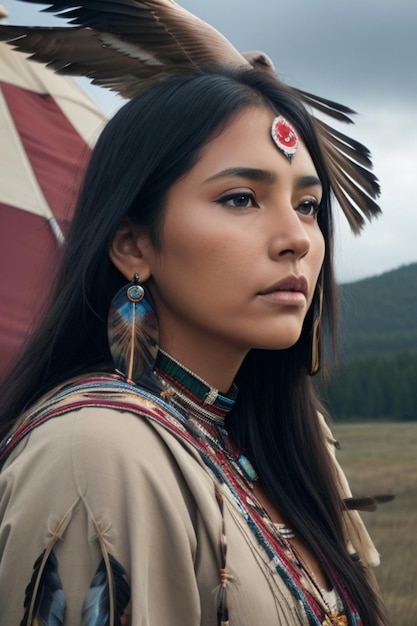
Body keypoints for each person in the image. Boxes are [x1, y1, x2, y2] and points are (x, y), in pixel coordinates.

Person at [0, 67, 390, 625]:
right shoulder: (95, 452)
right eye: (240, 198)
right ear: (134, 244)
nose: (297, 239)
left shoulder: (249, 442)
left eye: (307, 206)